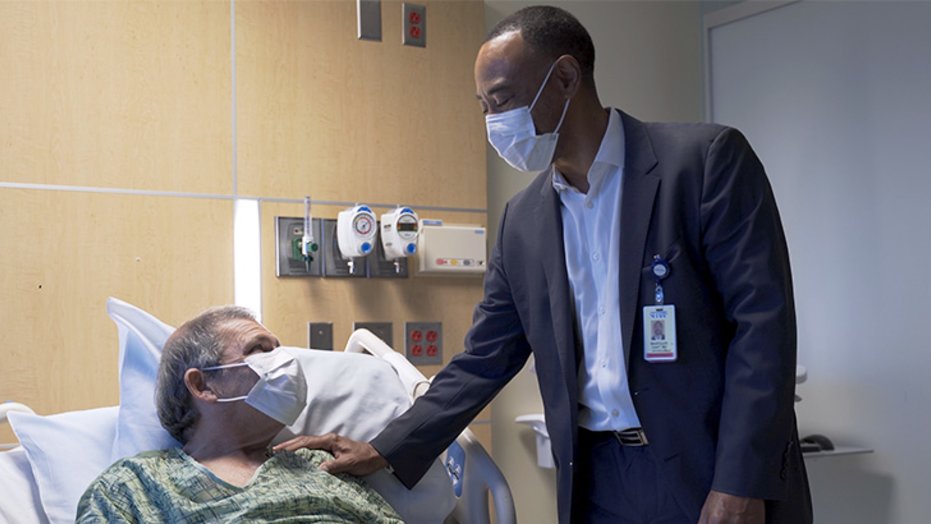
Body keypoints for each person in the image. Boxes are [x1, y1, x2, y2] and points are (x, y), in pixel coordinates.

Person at [280, 6, 812, 524]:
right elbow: (485, 358)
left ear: (563, 78)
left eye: (503, 99)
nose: (493, 122)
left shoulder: (701, 165)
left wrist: (740, 483)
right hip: (599, 480)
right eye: (483, 106)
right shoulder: (525, 222)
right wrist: (385, 447)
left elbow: (762, 328)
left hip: (710, 470)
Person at [76, 306, 402, 523]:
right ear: (203, 385)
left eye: (278, 349)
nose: (285, 362)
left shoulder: (320, 466)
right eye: (260, 350)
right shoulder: (134, 486)